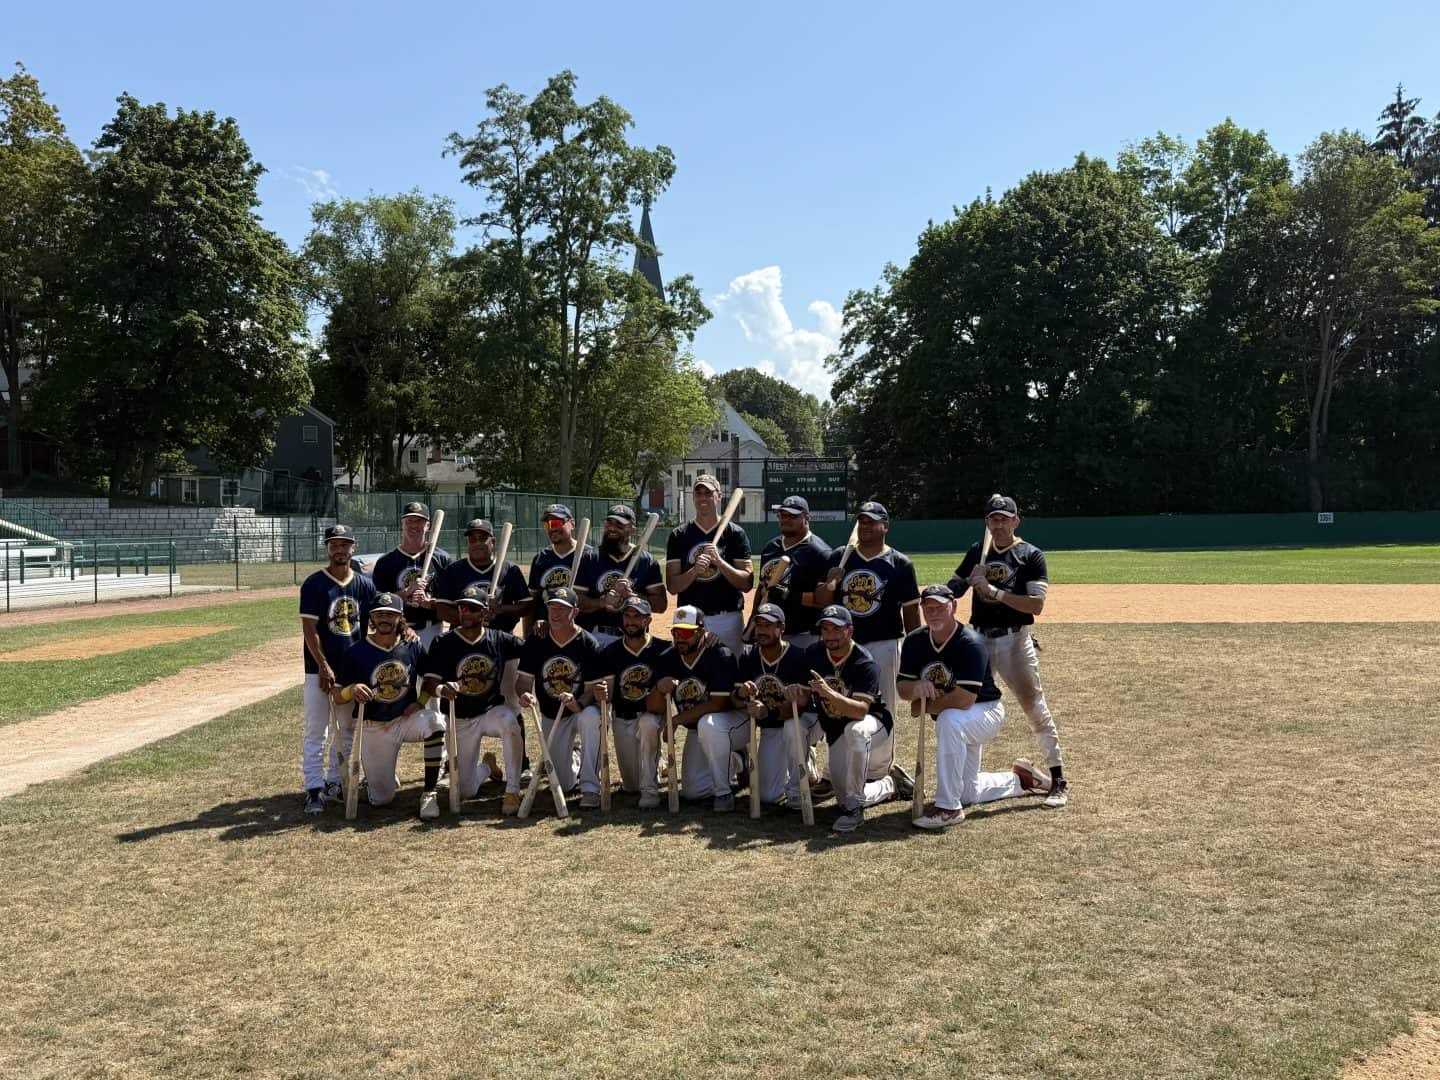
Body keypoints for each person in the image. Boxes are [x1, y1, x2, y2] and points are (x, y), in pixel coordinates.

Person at [947, 494, 1069, 809]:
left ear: (1016, 521)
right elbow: (955, 586)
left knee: (1034, 707)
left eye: (1004, 519)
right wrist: (954, 588)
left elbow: (1036, 605)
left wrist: (993, 591)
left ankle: (1058, 778)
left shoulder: (1030, 555)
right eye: (993, 519)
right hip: (980, 640)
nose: (998, 524)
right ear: (987, 522)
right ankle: (966, 783)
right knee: (970, 705)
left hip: (1015, 641)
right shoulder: (978, 551)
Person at [898, 584, 1051, 830]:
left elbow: (964, 700)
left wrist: (925, 707)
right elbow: (902, 687)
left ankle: (949, 808)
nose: (934, 613)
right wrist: (915, 689)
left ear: (954, 607)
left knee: (949, 720)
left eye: (940, 607)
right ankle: (1020, 780)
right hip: (959, 719)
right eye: (928, 608)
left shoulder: (971, 643)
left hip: (985, 712)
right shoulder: (915, 641)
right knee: (969, 792)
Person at [333, 593, 445, 820]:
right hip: (374, 725)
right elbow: (337, 696)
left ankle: (429, 792)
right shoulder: (356, 651)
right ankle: (375, 782)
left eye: (390, 614)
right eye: (379, 614)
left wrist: (420, 702)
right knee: (382, 800)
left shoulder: (412, 645)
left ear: (400, 618)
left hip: (405, 719)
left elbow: (432, 679)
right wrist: (352, 689)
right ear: (371, 618)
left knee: (435, 721)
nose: (384, 619)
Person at [801, 605, 913, 833]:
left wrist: (829, 693)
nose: (830, 635)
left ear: (850, 631)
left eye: (836, 629)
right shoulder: (814, 653)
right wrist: (796, 690)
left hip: (874, 722)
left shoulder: (864, 662)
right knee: (842, 798)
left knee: (856, 730)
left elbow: (861, 711)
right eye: (825, 629)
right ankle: (890, 785)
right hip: (837, 728)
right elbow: (804, 692)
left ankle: (855, 810)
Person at [421, 583, 526, 816]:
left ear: (485, 613)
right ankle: (487, 767)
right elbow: (429, 682)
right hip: (460, 717)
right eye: (462, 608)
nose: (465, 613)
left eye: (472, 608)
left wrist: (543, 627)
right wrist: (440, 690)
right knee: (466, 791)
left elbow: (533, 650)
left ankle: (513, 790)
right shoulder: (444, 643)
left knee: (511, 722)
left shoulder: (499, 639)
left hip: (490, 711)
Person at [816, 501, 921, 725]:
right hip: (845, 646)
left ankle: (884, 761)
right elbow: (821, 602)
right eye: (862, 521)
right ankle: (853, 755)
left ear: (885, 527)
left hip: (884, 643)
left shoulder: (900, 563)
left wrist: (916, 652)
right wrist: (830, 583)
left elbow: (911, 613)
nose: (865, 526)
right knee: (842, 702)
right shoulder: (839, 557)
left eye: (871, 522)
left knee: (884, 706)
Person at [298, 524, 377, 814]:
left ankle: (336, 781)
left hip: (351, 669)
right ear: (328, 548)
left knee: (347, 729)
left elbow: (375, 625)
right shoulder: (315, 583)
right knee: (316, 730)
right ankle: (314, 789)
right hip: (318, 669)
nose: (339, 549)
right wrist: (323, 665)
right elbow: (310, 628)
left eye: (344, 544)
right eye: (334, 544)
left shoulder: (365, 584)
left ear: (352, 548)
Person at [515, 586, 606, 808]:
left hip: (581, 709)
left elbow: (593, 691)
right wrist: (525, 694)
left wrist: (578, 703)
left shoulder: (587, 643)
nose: (554, 614)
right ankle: (576, 757)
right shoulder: (537, 641)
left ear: (574, 613)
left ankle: (590, 789)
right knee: (563, 785)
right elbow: (523, 682)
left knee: (591, 719)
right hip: (552, 714)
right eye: (551, 608)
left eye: (561, 609)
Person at [652, 605, 746, 810]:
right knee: (693, 792)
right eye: (676, 632)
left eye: (686, 632)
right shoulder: (668, 657)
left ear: (702, 632)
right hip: (700, 728)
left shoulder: (720, 655)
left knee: (708, 723)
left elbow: (718, 704)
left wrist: (675, 720)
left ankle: (726, 786)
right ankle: (734, 762)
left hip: (732, 723)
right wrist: (659, 688)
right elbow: (655, 706)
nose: (680, 638)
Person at [431, 518, 530, 711]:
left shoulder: (509, 570)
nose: (477, 543)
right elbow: (442, 609)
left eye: (482, 538)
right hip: (463, 646)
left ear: (492, 542)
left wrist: (499, 609)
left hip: (504, 645)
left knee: (510, 703)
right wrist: (473, 617)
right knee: (462, 702)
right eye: (472, 539)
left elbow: (526, 606)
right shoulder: (454, 571)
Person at [732, 603, 821, 806]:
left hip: (804, 723)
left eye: (768, 625)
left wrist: (767, 712)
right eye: (759, 625)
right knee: (768, 796)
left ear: (781, 628)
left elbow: (802, 705)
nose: (761, 631)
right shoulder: (748, 656)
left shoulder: (799, 656)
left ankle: (805, 762)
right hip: (772, 727)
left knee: (793, 728)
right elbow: (734, 700)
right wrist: (741, 693)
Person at [592, 596, 671, 808]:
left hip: (651, 716)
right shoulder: (610, 651)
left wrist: (710, 637)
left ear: (648, 620)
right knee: (631, 785)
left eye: (637, 616)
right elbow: (607, 695)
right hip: (623, 717)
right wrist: (602, 692)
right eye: (627, 615)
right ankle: (654, 763)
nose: (631, 621)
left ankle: (650, 790)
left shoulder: (663, 649)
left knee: (648, 725)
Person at [665, 475, 753, 654]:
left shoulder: (735, 534)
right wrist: (694, 570)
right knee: (691, 675)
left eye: (708, 493)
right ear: (694, 497)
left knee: (730, 672)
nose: (703, 498)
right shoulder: (679, 535)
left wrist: (719, 562)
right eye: (698, 493)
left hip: (727, 618)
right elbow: (673, 587)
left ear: (718, 496)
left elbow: (747, 583)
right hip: (689, 619)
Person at [577, 504, 667, 648]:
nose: (612, 528)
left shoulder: (646, 561)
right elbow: (576, 600)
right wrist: (602, 602)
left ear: (632, 529)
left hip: (634, 639)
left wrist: (632, 595)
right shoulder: (590, 558)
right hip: (595, 636)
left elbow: (661, 605)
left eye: (619, 524)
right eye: (609, 523)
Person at [754, 495, 832, 650]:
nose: (786, 519)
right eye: (783, 515)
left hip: (803, 635)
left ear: (807, 517)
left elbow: (824, 601)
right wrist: (753, 620)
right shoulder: (771, 548)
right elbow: (762, 588)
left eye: (793, 516)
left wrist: (787, 595)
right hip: (771, 634)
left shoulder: (819, 552)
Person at [370, 501, 451, 648]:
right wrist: (407, 592)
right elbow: (378, 602)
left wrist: (429, 602)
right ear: (402, 524)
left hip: (432, 630)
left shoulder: (442, 559)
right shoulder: (386, 562)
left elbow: (450, 600)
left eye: (419, 521)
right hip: (398, 630)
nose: (414, 525)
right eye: (409, 521)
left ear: (427, 526)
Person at [528, 503, 596, 630]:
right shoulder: (540, 559)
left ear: (572, 524)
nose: (551, 528)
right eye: (547, 524)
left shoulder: (590, 556)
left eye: (556, 523)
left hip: (582, 632)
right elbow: (533, 602)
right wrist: (527, 637)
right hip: (547, 632)